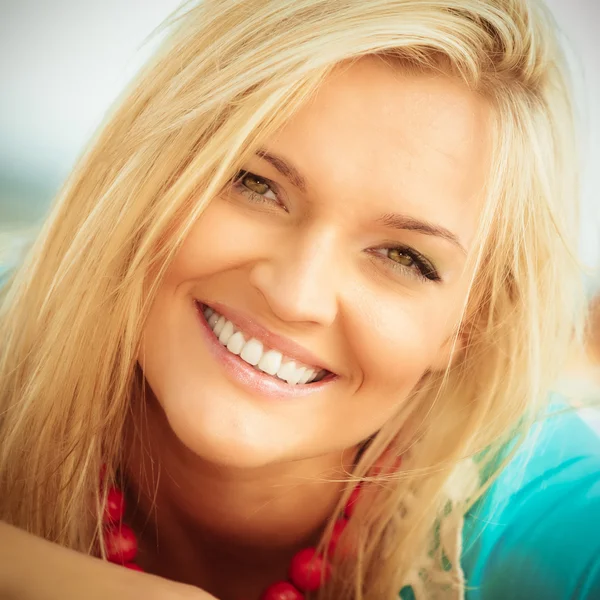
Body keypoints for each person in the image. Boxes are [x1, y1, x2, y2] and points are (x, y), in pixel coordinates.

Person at [0, 0, 598, 598]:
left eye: (403, 257)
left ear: (467, 323)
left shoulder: (553, 506)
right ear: (151, 174)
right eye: (256, 185)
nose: (294, 296)